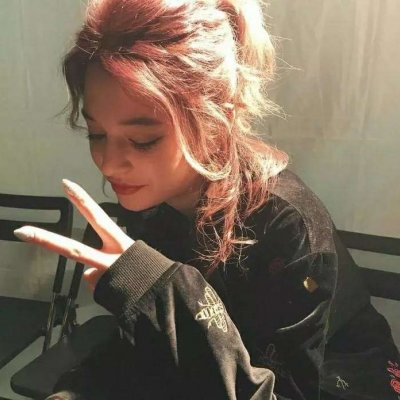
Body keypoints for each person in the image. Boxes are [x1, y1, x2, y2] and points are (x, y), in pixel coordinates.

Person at [14, 0, 400, 399]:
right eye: (96, 134)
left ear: (218, 121)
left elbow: (278, 389)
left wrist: (162, 292)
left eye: (144, 140)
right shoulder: (156, 202)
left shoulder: (286, 225)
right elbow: (152, 349)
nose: (109, 164)